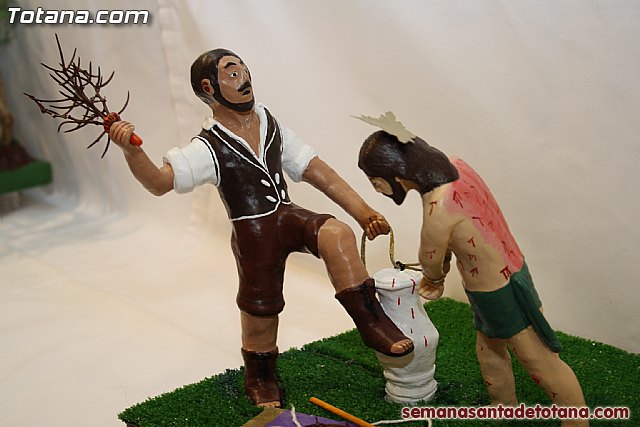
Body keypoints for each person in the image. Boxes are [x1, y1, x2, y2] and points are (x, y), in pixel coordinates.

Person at [107, 49, 413, 408]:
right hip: (253, 234)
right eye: (231, 74)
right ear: (209, 88)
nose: (245, 80)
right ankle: (261, 376)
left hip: (286, 215)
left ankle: (371, 321)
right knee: (260, 311)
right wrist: (132, 152)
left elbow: (314, 168)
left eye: (244, 70)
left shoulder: (270, 123)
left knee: (337, 233)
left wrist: (362, 211)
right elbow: (160, 182)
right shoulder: (207, 146)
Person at [359, 128, 588, 426]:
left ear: (396, 174)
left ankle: (576, 421)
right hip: (508, 272)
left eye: (376, 183)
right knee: (489, 348)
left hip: (497, 290)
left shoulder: (437, 207)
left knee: (538, 360)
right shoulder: (458, 166)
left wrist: (434, 280)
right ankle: (503, 405)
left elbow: (430, 257)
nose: (378, 190)